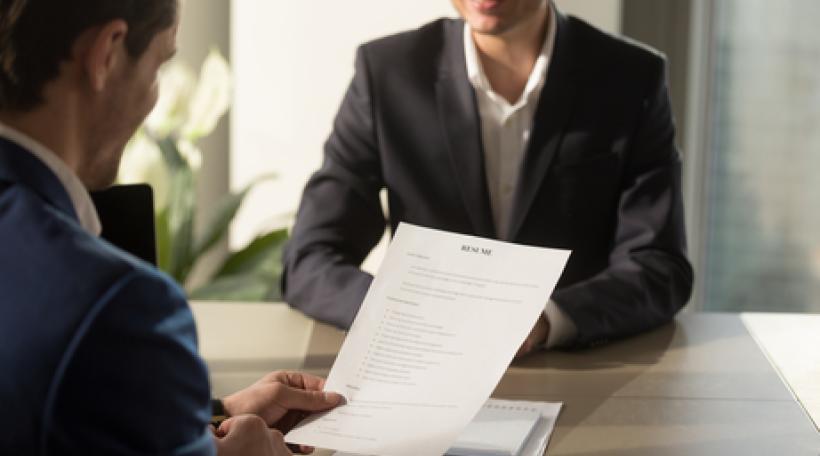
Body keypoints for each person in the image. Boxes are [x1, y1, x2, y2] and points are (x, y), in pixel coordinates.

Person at [0, 1, 340, 455]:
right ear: (108, 53)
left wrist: (208, 415)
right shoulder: (116, 304)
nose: (153, 96)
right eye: (159, 64)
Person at [283, 0, 694, 354]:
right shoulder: (387, 74)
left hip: (575, 368)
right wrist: (399, 311)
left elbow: (659, 265)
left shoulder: (631, 78)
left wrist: (549, 319)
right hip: (419, 369)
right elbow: (311, 258)